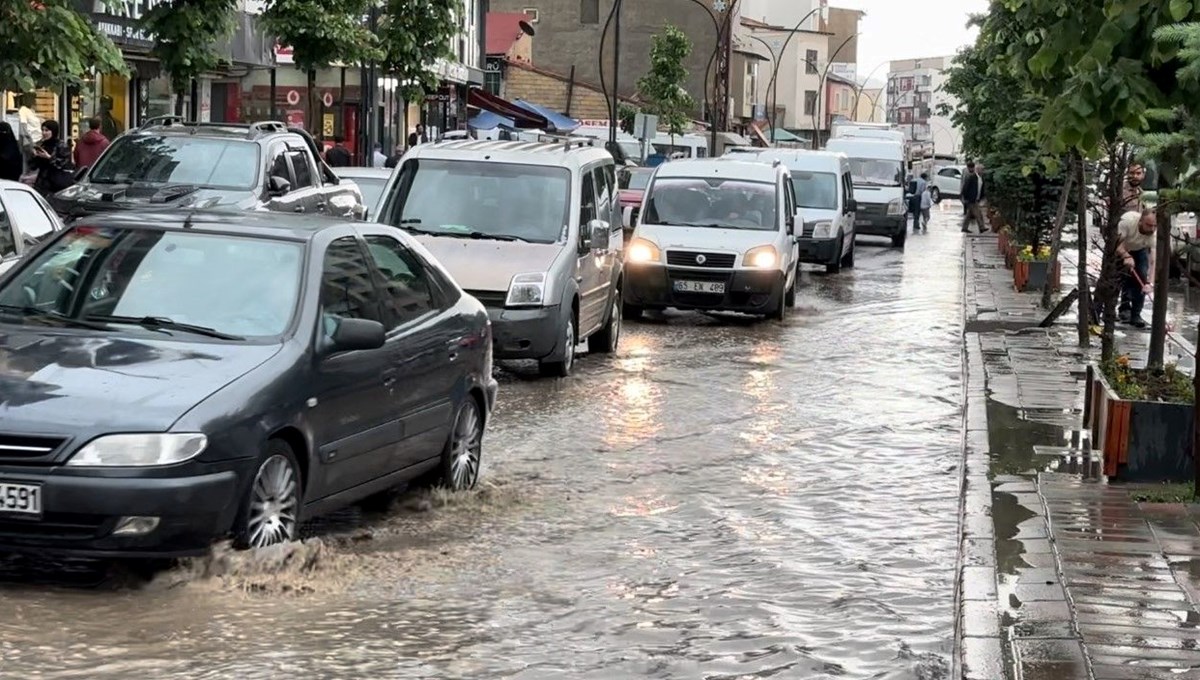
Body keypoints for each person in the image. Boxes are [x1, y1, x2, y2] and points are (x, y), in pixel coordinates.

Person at [1115, 208, 1157, 328]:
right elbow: (1117, 244)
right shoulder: (1126, 222)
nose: (1152, 229)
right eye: (1149, 225)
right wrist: (1126, 256)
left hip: (1139, 249)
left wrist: (1150, 283)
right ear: (1140, 221)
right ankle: (1116, 310)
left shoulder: (1153, 235)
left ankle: (1136, 314)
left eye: (1154, 226)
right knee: (1116, 279)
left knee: (1141, 277)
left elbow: (1153, 260)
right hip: (1120, 248)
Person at [30, 120, 74, 197]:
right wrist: (35, 155)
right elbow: (33, 166)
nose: (44, 133)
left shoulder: (61, 145)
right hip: (42, 183)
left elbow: (64, 164)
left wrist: (49, 157)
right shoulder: (41, 144)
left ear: (53, 131)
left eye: (47, 130)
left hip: (56, 183)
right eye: (42, 130)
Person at [961, 161, 986, 233]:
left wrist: (981, 197)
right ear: (977, 170)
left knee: (969, 214)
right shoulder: (972, 177)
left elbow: (981, 188)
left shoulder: (981, 178)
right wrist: (965, 197)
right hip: (971, 199)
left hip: (976, 199)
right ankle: (982, 228)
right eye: (982, 169)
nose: (983, 171)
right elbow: (965, 187)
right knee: (978, 213)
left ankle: (964, 228)